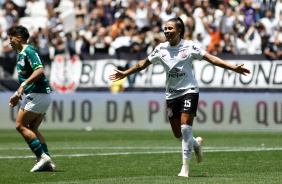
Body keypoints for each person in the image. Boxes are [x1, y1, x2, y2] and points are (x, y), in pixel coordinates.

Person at [109, 17, 251, 177]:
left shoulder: (189, 46)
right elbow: (143, 63)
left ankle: (185, 168)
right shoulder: (161, 48)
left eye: (170, 28)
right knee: (179, 134)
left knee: (185, 128)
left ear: (179, 31)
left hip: (189, 91)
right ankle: (196, 144)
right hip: (171, 94)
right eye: (165, 28)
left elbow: (211, 58)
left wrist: (233, 68)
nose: (167, 31)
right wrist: (125, 74)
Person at [7, 25, 55, 172]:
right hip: (41, 95)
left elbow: (40, 70)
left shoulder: (29, 50)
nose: (9, 42)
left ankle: (41, 156)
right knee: (32, 128)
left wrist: (23, 85)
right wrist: (17, 94)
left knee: (20, 125)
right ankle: (47, 161)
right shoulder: (22, 53)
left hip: (37, 94)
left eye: (11, 38)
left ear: (18, 37)